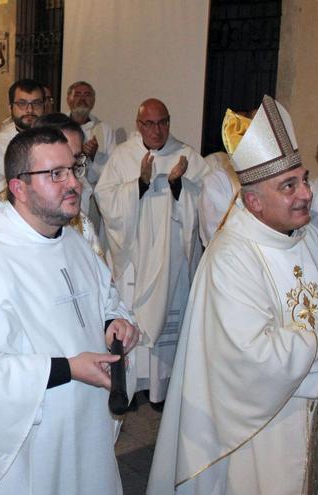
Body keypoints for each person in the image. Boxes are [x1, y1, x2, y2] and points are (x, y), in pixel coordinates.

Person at [146, 96, 318, 495]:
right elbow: (248, 355)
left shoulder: (307, 234)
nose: (306, 195)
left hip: (311, 404)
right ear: (253, 201)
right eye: (288, 186)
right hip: (260, 426)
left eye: (302, 179)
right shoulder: (231, 257)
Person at [0, 126, 138, 495]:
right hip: (30, 445)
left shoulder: (74, 243)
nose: (73, 183)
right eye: (56, 174)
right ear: (18, 188)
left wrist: (113, 323)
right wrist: (67, 368)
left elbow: (104, 300)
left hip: (85, 429)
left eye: (74, 168)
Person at [95, 98, 208, 407]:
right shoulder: (122, 156)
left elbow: (205, 202)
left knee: (170, 321)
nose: (157, 130)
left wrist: (177, 186)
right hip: (135, 259)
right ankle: (129, 387)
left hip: (171, 258)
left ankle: (161, 391)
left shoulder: (186, 156)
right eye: (150, 123)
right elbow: (105, 200)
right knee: (132, 318)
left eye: (163, 122)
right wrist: (139, 185)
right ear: (138, 124)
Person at [0, 78, 45, 202]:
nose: (30, 110)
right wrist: (18, 179)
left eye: (36, 103)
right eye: (22, 103)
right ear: (10, 108)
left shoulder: (55, 142)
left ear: (44, 106)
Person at [66, 81, 117, 184]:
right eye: (77, 94)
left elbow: (113, 168)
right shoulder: (58, 126)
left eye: (87, 95)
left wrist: (93, 157)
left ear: (93, 101)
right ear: (68, 100)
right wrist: (81, 154)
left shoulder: (105, 130)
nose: (82, 99)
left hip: (93, 193)